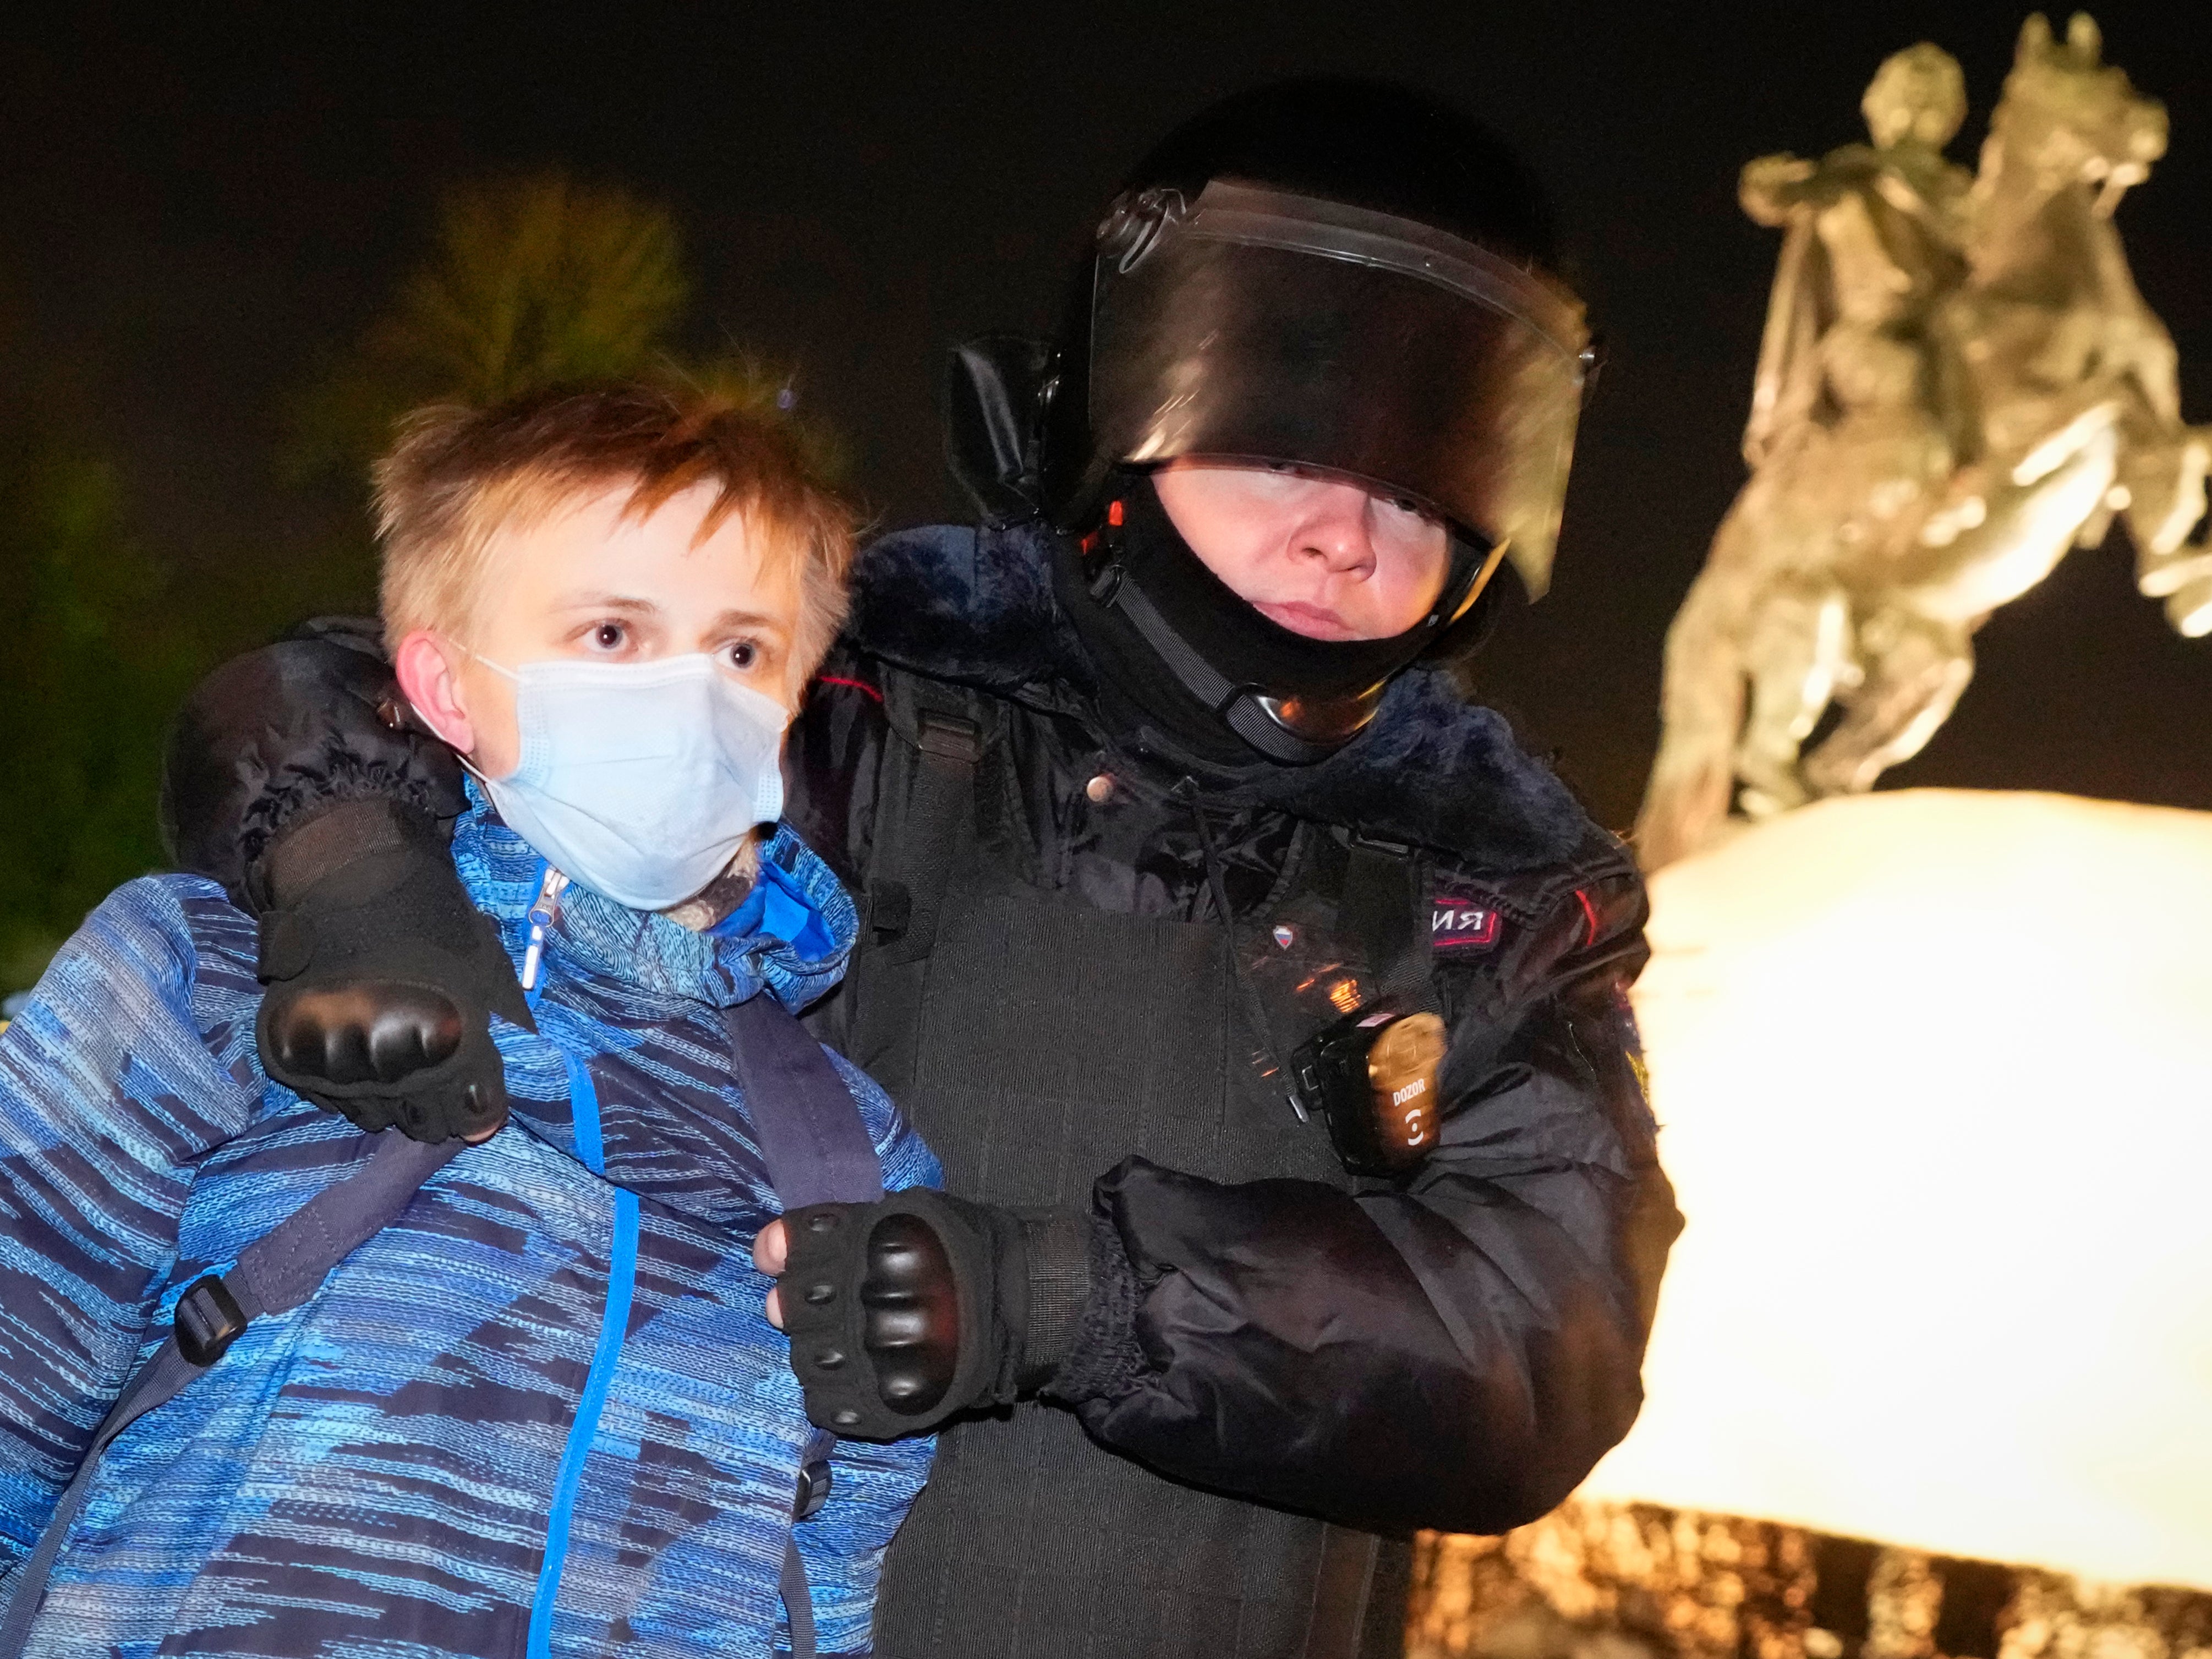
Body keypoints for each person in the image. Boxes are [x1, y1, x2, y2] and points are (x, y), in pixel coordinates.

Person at [158, 80, 1682, 1659]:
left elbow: (1547, 1341)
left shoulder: (1496, 896)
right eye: (1280, 449)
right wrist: (355, 873)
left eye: (1413, 492)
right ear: (1113, 419)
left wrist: (1068, 1300)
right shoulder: (847, 705)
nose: (1343, 536)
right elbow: (382, 685)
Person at [0, 386, 938, 1658]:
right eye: (612, 632)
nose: (687, 693)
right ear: (444, 682)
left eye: (742, 650)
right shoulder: (198, 976)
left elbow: (828, 1569)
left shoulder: (850, 1150)